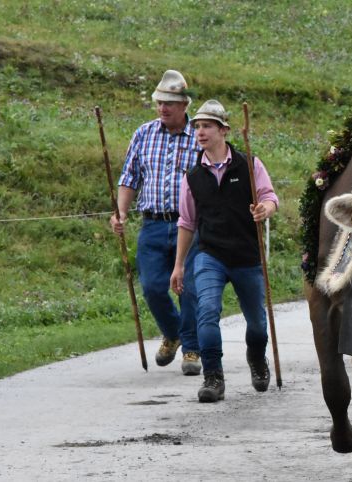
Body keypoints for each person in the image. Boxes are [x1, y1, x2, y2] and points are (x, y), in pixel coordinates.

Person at [170, 99, 279, 403]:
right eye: (197, 127)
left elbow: (270, 197)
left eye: (207, 126)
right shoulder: (191, 177)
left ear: (224, 130)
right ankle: (213, 376)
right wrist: (179, 265)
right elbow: (187, 222)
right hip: (210, 254)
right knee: (206, 312)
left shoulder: (249, 164)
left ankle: (257, 358)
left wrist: (263, 210)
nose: (200, 132)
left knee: (257, 324)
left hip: (246, 254)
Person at [110, 70, 202, 376]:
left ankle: (191, 348)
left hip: (188, 225)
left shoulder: (198, 137)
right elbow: (130, 176)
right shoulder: (144, 133)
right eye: (160, 102)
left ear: (184, 105)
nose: (163, 108)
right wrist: (121, 212)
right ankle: (174, 332)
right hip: (152, 223)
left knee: (188, 286)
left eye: (170, 103)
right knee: (151, 286)